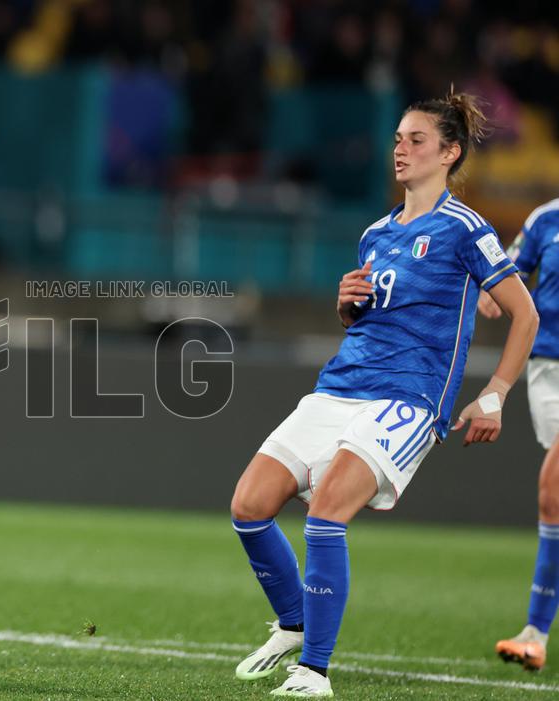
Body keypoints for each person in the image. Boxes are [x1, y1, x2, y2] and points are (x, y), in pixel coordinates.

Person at [228, 92, 539, 698]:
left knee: (326, 514)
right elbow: (370, 318)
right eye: (398, 138)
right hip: (340, 387)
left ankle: (314, 671)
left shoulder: (465, 228)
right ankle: (293, 624)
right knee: (248, 505)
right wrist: (347, 307)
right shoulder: (375, 233)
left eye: (416, 140)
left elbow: (520, 314)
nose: (401, 148)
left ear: (449, 153)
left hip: (409, 400)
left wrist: (496, 393)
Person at [481, 197, 559, 671]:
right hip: (547, 370)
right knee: (554, 500)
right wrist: (490, 293)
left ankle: (535, 629)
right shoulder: (544, 219)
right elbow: (508, 276)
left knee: (553, 489)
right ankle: (536, 633)